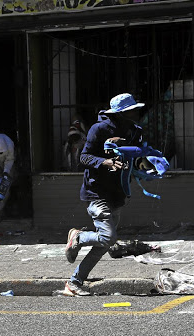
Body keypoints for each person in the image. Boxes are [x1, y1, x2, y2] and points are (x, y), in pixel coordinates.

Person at [64, 93, 145, 296]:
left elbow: (135, 155)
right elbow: (84, 157)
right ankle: (78, 237)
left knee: (102, 244)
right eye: (131, 110)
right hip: (96, 192)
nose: (136, 113)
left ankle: (74, 283)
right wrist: (104, 162)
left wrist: (142, 165)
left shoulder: (133, 131)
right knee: (108, 238)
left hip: (117, 193)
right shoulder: (99, 129)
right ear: (120, 113)